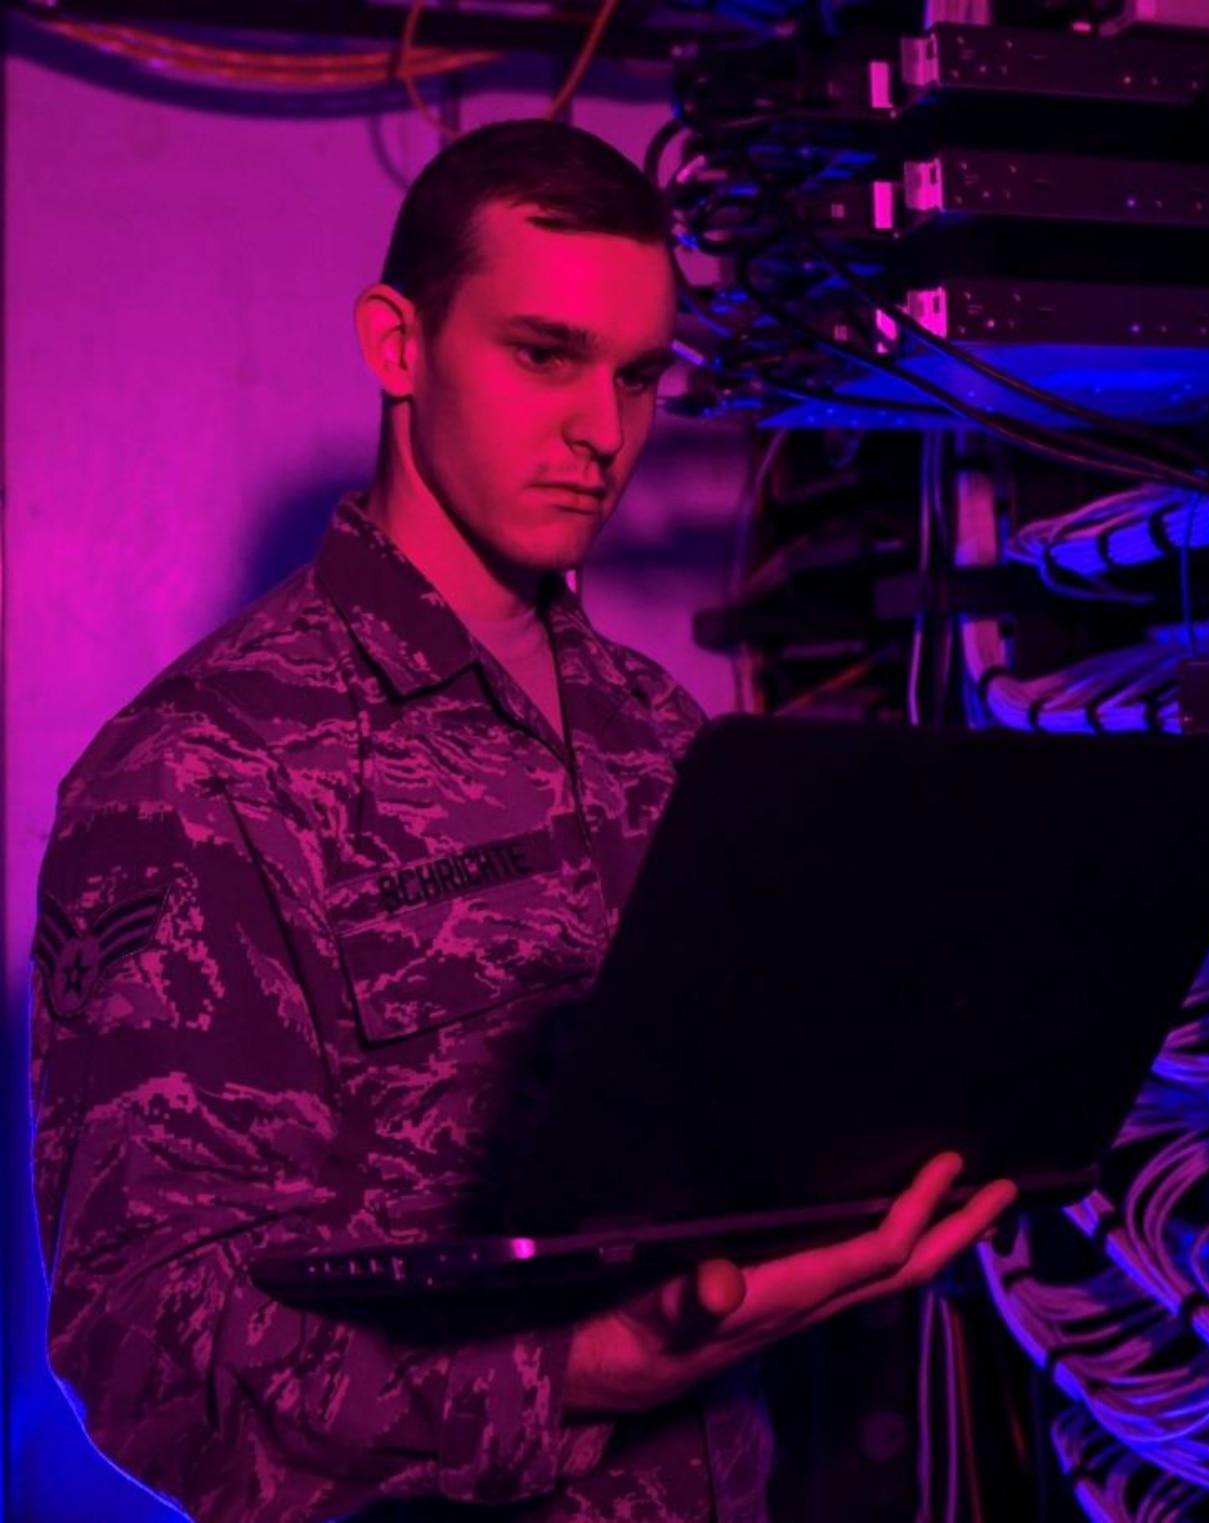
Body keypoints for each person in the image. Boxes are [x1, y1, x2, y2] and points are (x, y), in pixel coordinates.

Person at [28, 118, 1017, 1522]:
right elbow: (145, 1341)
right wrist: (570, 1379)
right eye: (544, 355)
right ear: (397, 344)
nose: (602, 432)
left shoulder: (662, 735)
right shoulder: (201, 771)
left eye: (639, 377)